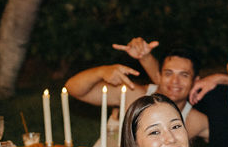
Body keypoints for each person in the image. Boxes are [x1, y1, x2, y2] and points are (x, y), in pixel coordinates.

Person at [64, 37, 207, 137]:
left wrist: (222, 77)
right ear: (158, 76)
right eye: (168, 73)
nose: (175, 81)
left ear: (196, 81)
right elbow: (74, 89)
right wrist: (101, 72)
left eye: (184, 75)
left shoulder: (194, 120)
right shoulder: (133, 94)